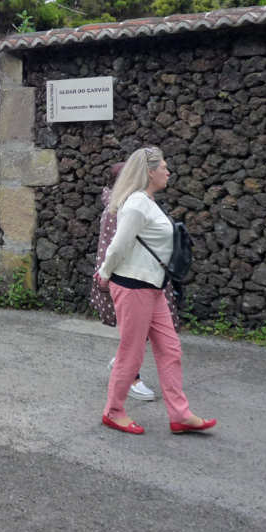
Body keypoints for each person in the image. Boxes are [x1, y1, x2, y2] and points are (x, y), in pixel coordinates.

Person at [96, 146, 216, 436]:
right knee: (131, 353)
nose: (168, 172)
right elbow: (118, 245)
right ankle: (113, 411)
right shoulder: (137, 204)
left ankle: (180, 415)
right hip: (133, 286)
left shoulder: (147, 201)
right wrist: (105, 274)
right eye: (163, 167)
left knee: (170, 350)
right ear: (149, 172)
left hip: (153, 287)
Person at [91, 161, 177, 402]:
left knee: (138, 333)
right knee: (134, 334)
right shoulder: (123, 207)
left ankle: (123, 368)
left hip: (144, 275)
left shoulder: (132, 203)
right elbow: (114, 247)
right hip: (131, 278)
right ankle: (130, 379)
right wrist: (106, 274)